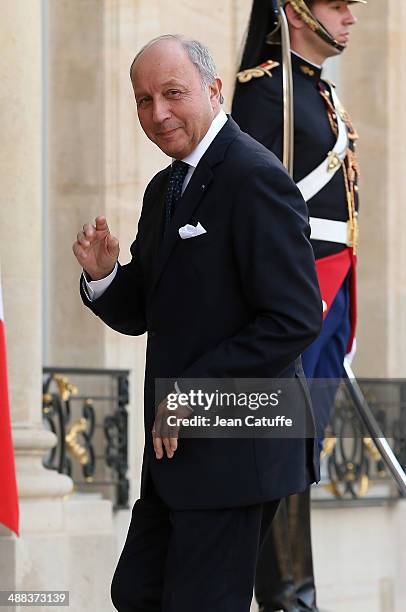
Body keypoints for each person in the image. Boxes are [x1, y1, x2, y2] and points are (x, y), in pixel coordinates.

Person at [73, 34, 322, 612]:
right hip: (175, 455)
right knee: (137, 592)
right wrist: (107, 275)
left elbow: (294, 317)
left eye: (172, 93)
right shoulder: (167, 185)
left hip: (236, 447)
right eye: (142, 100)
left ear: (213, 89)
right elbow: (146, 311)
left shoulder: (253, 175)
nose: (156, 113)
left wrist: (193, 394)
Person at [232, 1, 364, 611]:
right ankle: (290, 599)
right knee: (285, 441)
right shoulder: (264, 92)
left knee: (303, 448)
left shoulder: (321, 94)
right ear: (294, 9)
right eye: (337, 5)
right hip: (299, 286)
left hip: (334, 287)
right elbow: (256, 204)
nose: (349, 18)